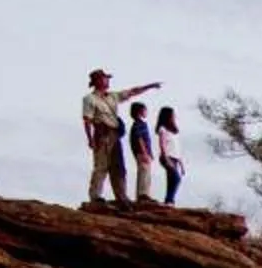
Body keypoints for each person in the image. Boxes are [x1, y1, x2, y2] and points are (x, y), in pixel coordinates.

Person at [79, 67, 158, 206]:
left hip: (115, 134)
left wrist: (149, 86)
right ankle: (95, 196)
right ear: (97, 81)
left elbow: (132, 92)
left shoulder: (113, 96)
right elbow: (87, 120)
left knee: (119, 167)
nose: (107, 80)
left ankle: (121, 196)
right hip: (102, 133)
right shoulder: (89, 99)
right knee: (101, 166)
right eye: (105, 78)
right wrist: (90, 139)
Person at [156, 106, 185, 206]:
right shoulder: (162, 129)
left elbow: (177, 148)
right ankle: (169, 199)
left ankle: (169, 201)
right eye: (173, 115)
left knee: (172, 180)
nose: (174, 117)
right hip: (167, 157)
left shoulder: (173, 131)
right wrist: (166, 157)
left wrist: (181, 163)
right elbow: (162, 144)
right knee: (176, 178)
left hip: (175, 158)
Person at [128, 101, 156, 204]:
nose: (146, 112)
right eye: (145, 110)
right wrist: (144, 152)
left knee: (146, 173)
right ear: (140, 112)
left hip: (144, 152)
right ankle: (142, 194)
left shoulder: (140, 124)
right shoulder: (139, 124)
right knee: (144, 172)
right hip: (142, 152)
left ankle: (145, 194)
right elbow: (140, 138)